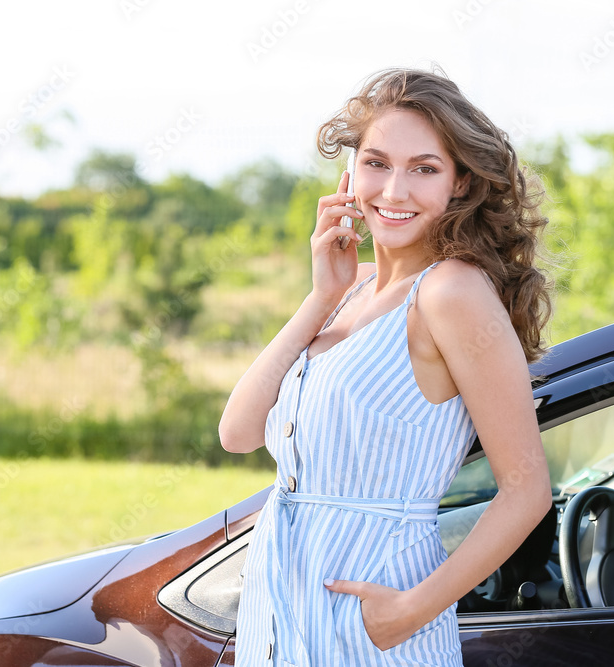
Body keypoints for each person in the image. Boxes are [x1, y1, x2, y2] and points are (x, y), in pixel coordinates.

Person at [219, 67, 554, 666]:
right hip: (282, 615)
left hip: (374, 624)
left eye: (424, 169)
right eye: (377, 163)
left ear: (459, 184)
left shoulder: (451, 293)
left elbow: (526, 490)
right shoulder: (351, 290)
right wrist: (320, 297)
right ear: (349, 175)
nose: (394, 191)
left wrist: (412, 612)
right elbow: (238, 433)